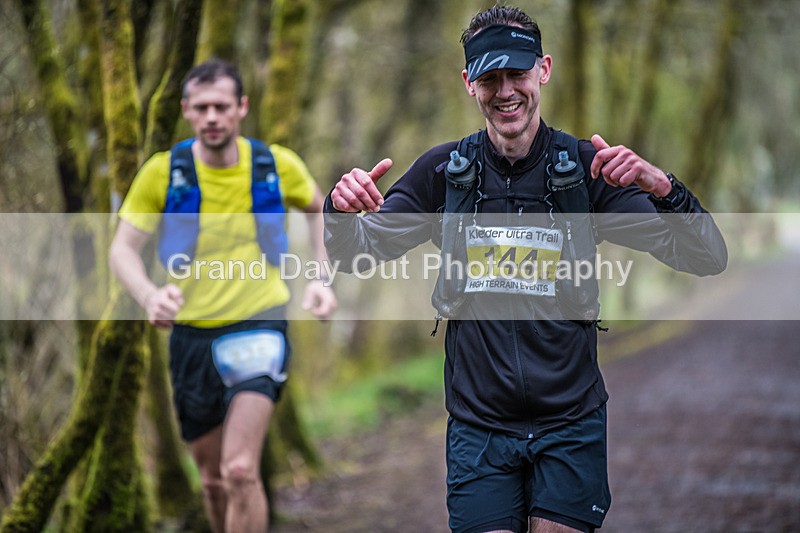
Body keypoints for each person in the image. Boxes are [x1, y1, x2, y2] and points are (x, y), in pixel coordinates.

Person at [324, 5, 726, 533]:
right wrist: (339, 209)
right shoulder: (443, 174)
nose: (506, 90)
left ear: (545, 69)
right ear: (469, 83)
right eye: (490, 77)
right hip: (479, 427)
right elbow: (355, 256)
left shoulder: (585, 172)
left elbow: (706, 257)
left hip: (570, 423)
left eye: (517, 73)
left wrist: (665, 189)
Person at [109, 59, 336, 532]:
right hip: (191, 337)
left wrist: (320, 277)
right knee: (212, 481)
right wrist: (150, 296)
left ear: (241, 109)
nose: (212, 116)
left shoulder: (275, 165)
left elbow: (321, 210)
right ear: (186, 111)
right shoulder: (162, 174)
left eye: (222, 106)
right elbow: (122, 250)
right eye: (202, 107)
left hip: (259, 324)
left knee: (238, 469)